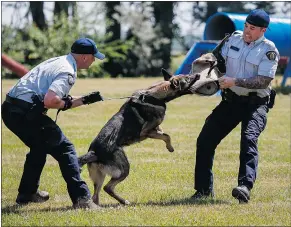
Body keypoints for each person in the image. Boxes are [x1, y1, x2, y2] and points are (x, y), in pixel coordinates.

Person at [2, 37, 106, 209]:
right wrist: (64, 102)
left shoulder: (58, 61)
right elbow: (51, 100)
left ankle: (27, 194)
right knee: (65, 149)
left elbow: (54, 100)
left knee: (39, 147)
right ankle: (82, 200)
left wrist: (86, 99)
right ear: (85, 57)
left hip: (10, 109)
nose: (94, 60)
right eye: (94, 56)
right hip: (25, 113)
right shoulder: (68, 71)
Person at [191, 9, 279, 203]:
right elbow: (217, 60)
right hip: (231, 101)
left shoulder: (268, 49)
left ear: (263, 30)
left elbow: (263, 81)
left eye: (252, 28)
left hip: (256, 104)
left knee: (248, 140)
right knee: (205, 139)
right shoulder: (233, 39)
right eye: (246, 26)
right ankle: (203, 190)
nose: (247, 31)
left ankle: (244, 187)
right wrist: (207, 63)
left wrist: (235, 81)